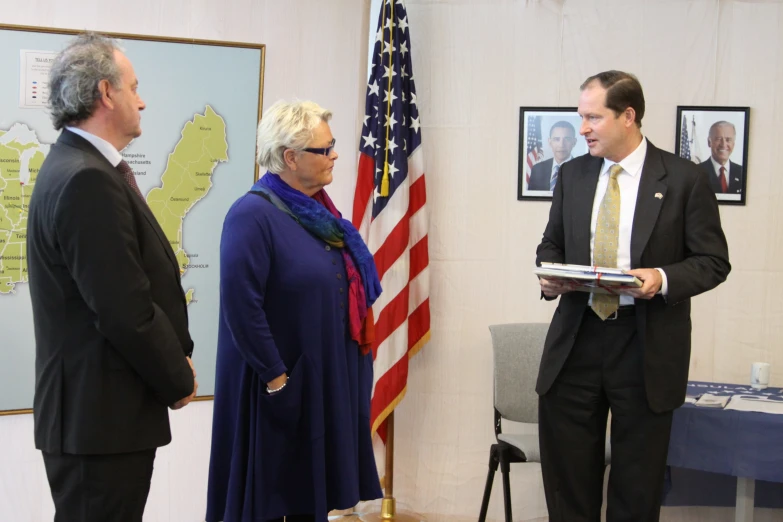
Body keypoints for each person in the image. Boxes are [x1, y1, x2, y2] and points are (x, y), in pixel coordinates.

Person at [535, 70, 730, 522]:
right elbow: (552, 244)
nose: (582, 128)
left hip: (646, 345)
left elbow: (713, 261)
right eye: (580, 117)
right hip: (576, 340)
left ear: (628, 116)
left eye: (592, 117)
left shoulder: (683, 178)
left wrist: (662, 277)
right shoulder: (573, 174)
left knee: (635, 489)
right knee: (568, 486)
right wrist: (550, 276)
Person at [26, 33, 197, 522]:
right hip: (98, 424)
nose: (141, 100)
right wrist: (176, 377)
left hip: (101, 422)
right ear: (105, 93)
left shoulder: (80, 167)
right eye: (133, 87)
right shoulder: (86, 178)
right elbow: (124, 309)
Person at [206, 100, 383, 522]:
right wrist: (278, 380)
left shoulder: (322, 212)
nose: (335, 155)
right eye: (325, 148)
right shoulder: (251, 215)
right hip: (276, 390)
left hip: (318, 382)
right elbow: (241, 308)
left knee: (309, 499)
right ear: (290, 157)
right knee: (269, 500)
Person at [528, 120, 578, 191]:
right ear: (550, 142)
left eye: (567, 139)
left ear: (574, 142)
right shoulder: (537, 169)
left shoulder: (582, 171)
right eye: (556, 139)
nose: (561, 145)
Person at [699, 121, 743, 194]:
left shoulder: (742, 172)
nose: (723, 144)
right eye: (718, 139)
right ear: (709, 142)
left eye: (728, 139)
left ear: (733, 144)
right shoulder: (697, 171)